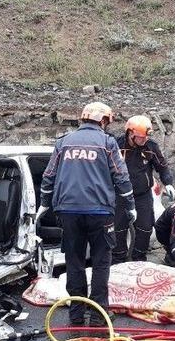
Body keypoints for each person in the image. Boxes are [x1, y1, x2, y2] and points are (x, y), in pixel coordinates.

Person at [38, 102, 136, 326]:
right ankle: (99, 315)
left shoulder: (63, 143)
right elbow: (121, 176)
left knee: (75, 262)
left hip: (68, 212)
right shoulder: (107, 142)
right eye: (107, 122)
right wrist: (131, 205)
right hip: (100, 212)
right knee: (101, 262)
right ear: (102, 121)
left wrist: (45, 204)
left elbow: (48, 177)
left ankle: (76, 314)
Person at [113, 115, 175, 263]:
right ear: (130, 133)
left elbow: (162, 166)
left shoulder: (151, 146)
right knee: (118, 229)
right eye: (140, 137)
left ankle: (139, 259)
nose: (144, 140)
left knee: (145, 228)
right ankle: (118, 260)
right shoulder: (116, 145)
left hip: (142, 195)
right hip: (119, 195)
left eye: (146, 137)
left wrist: (168, 183)